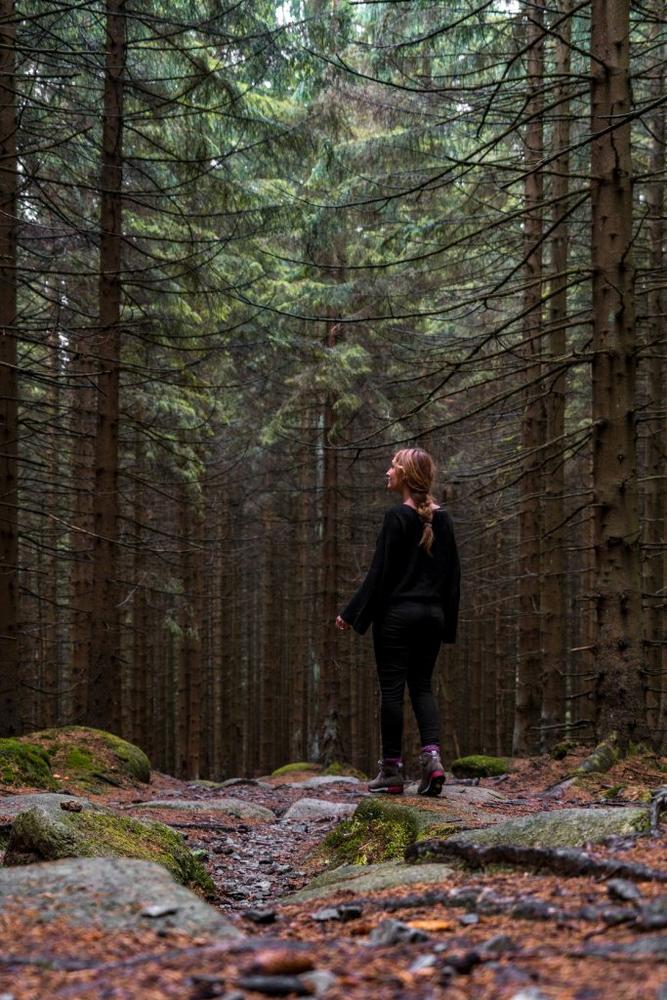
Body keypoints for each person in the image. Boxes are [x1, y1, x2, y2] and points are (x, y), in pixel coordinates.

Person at [335, 448, 460, 797]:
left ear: (405, 475)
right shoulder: (444, 520)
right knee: (422, 686)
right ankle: (433, 761)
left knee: (392, 690)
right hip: (432, 618)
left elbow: (380, 576)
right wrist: (446, 623)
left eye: (392, 467)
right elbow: (453, 579)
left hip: (397, 618)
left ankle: (391, 770)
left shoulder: (396, 518)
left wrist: (351, 613)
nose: (387, 472)